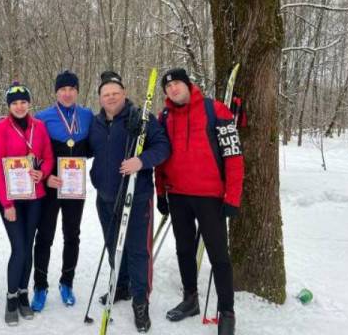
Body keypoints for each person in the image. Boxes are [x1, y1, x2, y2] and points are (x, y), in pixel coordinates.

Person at [155, 68, 244, 335]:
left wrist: (233, 196)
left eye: (177, 84)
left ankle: (227, 311)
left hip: (210, 197)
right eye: (168, 87)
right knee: (184, 250)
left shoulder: (214, 110)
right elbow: (160, 159)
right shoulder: (165, 117)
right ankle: (190, 298)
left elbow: (233, 155)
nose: (173, 89)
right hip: (178, 195)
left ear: (187, 84)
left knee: (219, 256)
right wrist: (161, 193)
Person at [88, 71, 170, 333]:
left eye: (115, 93)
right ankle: (121, 286)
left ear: (123, 94)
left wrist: (141, 161)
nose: (111, 98)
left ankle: (140, 300)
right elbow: (87, 149)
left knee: (137, 251)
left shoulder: (141, 119)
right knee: (114, 246)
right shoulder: (97, 123)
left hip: (136, 197)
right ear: (100, 98)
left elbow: (163, 147)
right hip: (106, 198)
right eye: (105, 94)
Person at [0, 82, 54, 326]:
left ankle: (24, 293)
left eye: (23, 102)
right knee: (19, 248)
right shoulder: (1, 128)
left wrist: (43, 172)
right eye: (15, 103)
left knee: (28, 245)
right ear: (9, 106)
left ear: (29, 103)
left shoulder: (39, 126)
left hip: (35, 197)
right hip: (12, 200)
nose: (19, 106)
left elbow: (48, 157)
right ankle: (11, 297)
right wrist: (6, 204)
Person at [31, 70, 93, 311]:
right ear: (55, 92)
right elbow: (34, 155)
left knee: (72, 234)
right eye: (62, 89)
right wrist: (45, 177)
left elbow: (98, 143)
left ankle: (66, 282)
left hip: (74, 186)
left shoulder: (87, 115)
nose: (67, 93)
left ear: (77, 90)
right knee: (44, 236)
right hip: (51, 185)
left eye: (71, 89)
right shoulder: (42, 117)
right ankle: (40, 285)